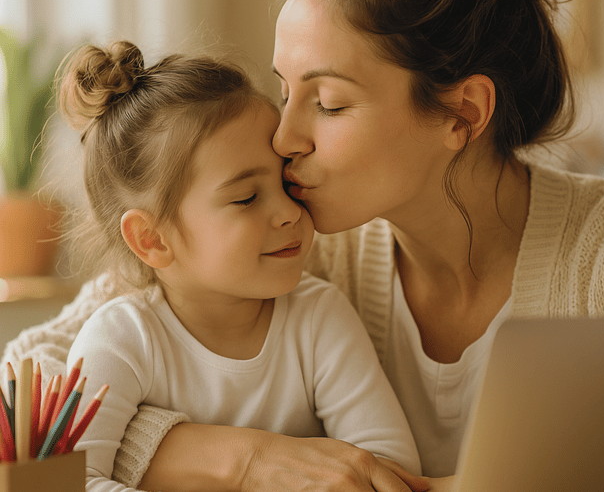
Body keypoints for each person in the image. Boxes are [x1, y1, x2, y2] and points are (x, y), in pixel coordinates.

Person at [3, 0, 604, 490]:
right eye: (284, 91)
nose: (284, 136)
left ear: (462, 113)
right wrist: (249, 459)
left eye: (327, 102)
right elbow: (25, 398)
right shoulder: (289, 246)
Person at [49, 40, 421, 492]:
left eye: (286, 182)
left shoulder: (319, 316)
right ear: (152, 239)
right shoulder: (122, 340)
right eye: (246, 197)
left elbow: (389, 466)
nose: (288, 212)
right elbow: (67, 481)